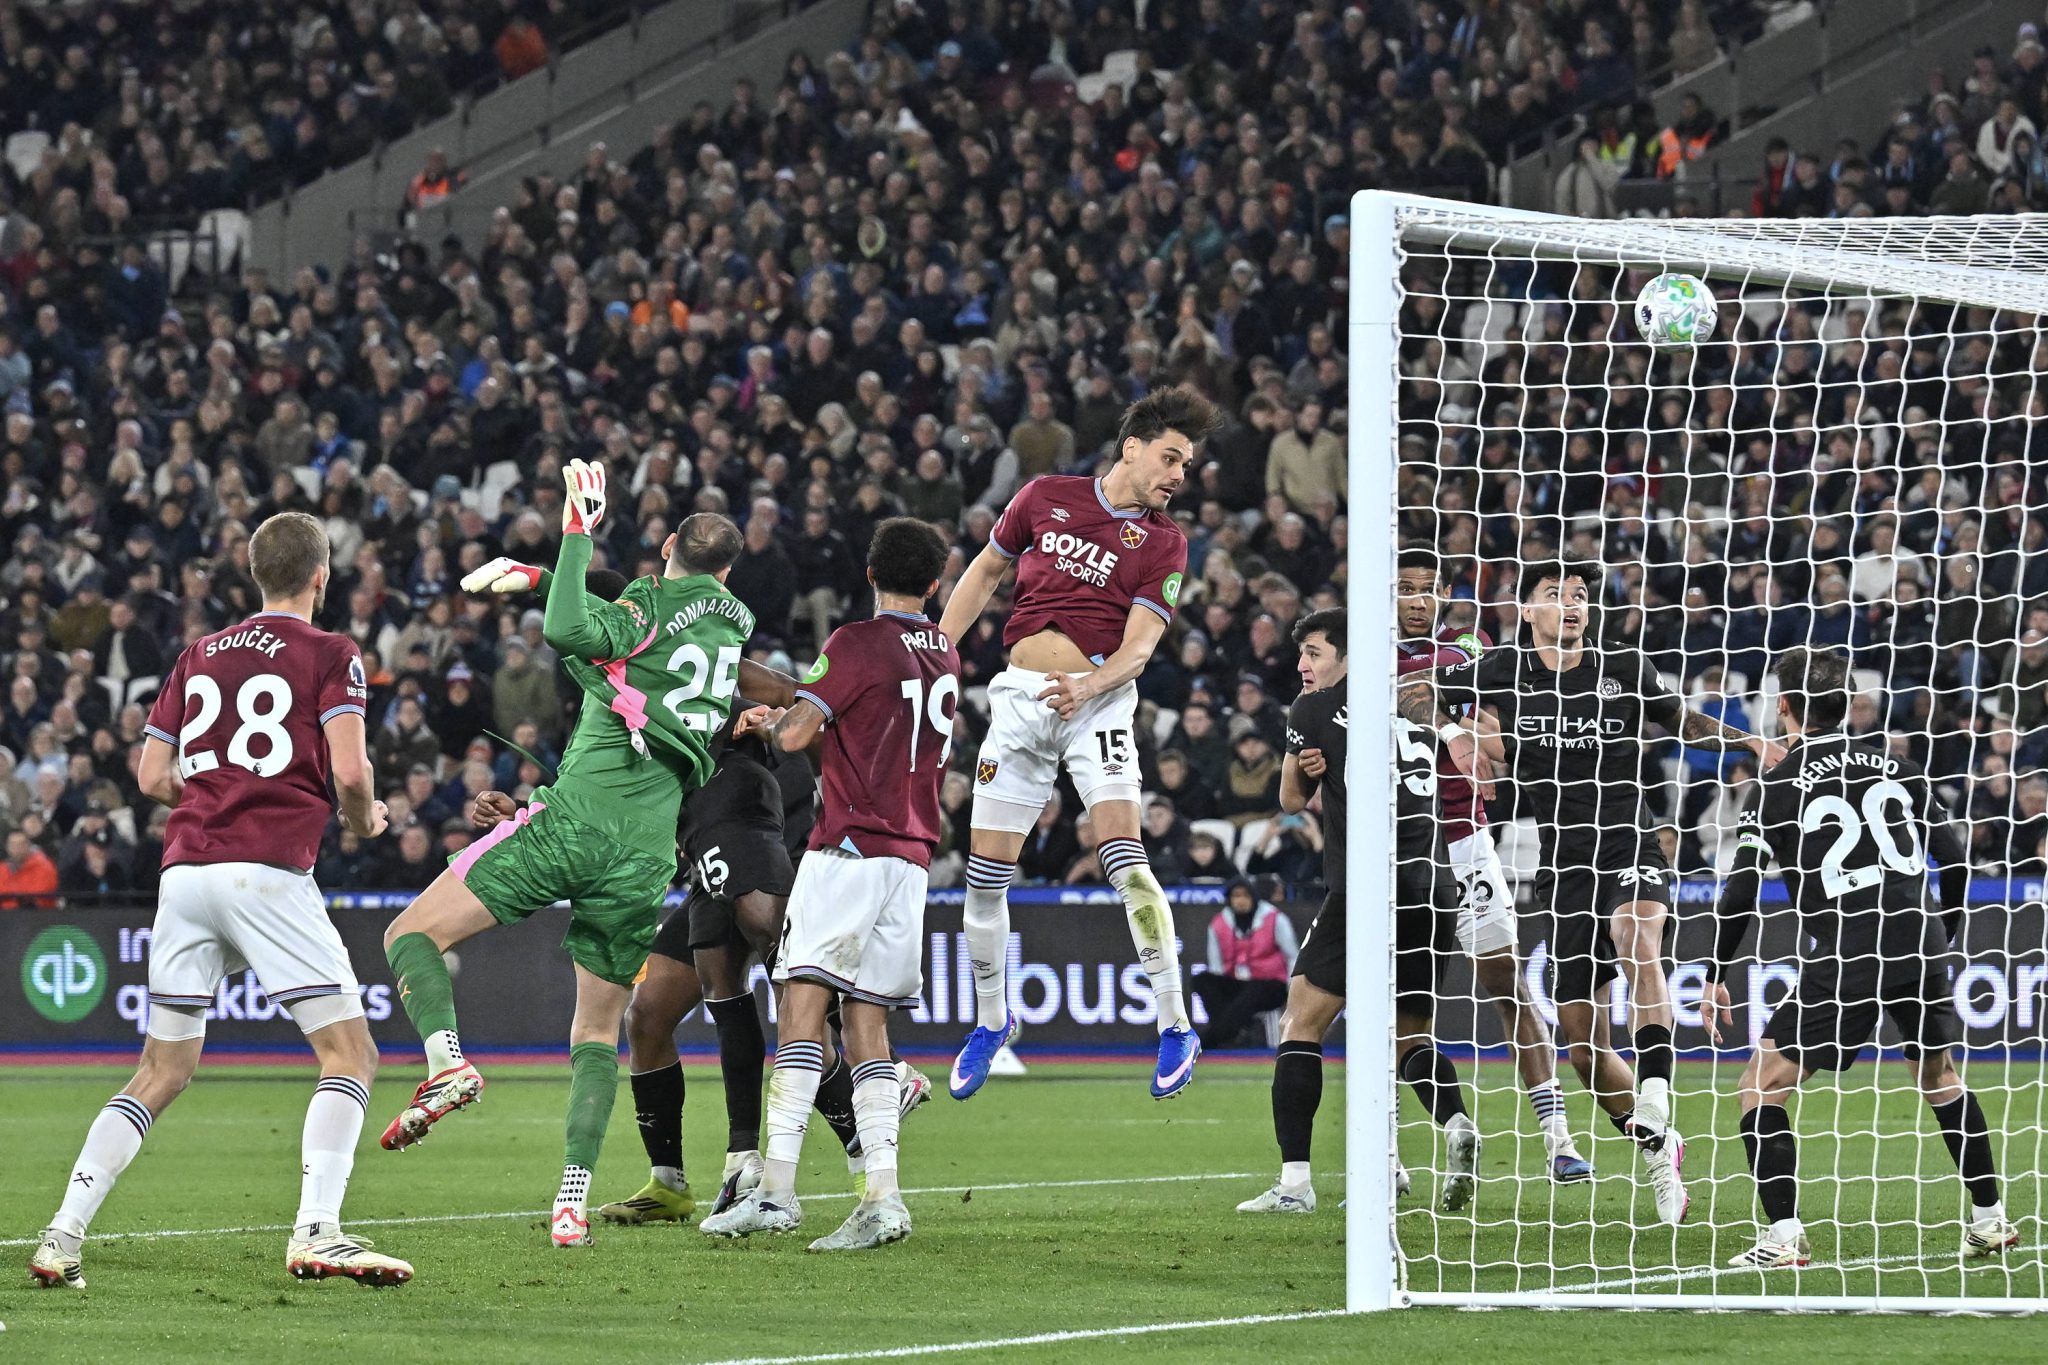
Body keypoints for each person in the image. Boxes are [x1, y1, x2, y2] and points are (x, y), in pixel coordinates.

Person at [375, 462, 766, 1249]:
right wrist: (538, 575)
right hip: (648, 851)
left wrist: (575, 532)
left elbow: (571, 629)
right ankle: (570, 1202)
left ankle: (448, 1063)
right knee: (595, 1029)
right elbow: (619, 630)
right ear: (728, 571)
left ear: (666, 547)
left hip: (576, 822)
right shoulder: (731, 625)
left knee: (409, 934)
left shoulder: (645, 608)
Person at [30, 512, 409, 1289]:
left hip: (186, 873)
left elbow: (150, 776)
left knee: (160, 1068)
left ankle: (62, 1233)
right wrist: (365, 818)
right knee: (351, 1054)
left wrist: (215, 793)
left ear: (254, 573)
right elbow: (350, 771)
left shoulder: (199, 652)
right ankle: (318, 1229)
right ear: (320, 576)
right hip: (265, 869)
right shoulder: (332, 651)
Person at [1401, 561, 1781, 1227]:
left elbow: (1683, 721)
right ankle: (1661, 1150)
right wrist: (1457, 734)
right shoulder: (1505, 669)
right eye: (1556, 595)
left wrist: (1745, 737)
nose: (1572, 605)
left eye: (1579, 596)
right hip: (1565, 867)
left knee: (1638, 939)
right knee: (1584, 1049)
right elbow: (1413, 690)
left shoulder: (1622, 666)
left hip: (1629, 841)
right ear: (1527, 611)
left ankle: (1657, 1091)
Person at [941, 387, 1217, 1102]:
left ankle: (1175, 1025)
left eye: (1186, 465)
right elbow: (985, 571)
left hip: (1099, 703)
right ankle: (992, 1022)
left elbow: (1141, 647)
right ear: (1132, 448)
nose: (1178, 475)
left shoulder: (1165, 542)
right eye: (1170, 458)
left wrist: (1089, 687)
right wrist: (937, 651)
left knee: (1125, 861)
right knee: (983, 879)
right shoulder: (1044, 496)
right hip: (1020, 700)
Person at [1706, 647, 2019, 1268]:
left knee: (1761, 1086)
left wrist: (1715, 971)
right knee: (1939, 1077)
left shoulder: (1775, 786)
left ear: (1784, 706)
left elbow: (1741, 889)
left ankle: (1784, 1236)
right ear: (1849, 704)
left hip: (1851, 947)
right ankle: (1990, 1219)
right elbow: (1955, 858)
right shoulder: (1899, 766)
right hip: (1920, 940)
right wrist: (1944, 931)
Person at [701, 517, 959, 1250]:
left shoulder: (854, 642)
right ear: (933, 583)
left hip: (848, 850)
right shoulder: (944, 650)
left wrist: (769, 720)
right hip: (911, 857)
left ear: (870, 573)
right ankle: (883, 1197)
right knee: (868, 1025)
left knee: (801, 1011)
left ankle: (776, 1192)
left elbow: (795, 735)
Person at [1393, 550, 1591, 1187]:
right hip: (1389, 849)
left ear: (1447, 593)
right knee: (1390, 1008)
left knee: (1508, 985)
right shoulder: (1361, 653)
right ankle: (1387, 1160)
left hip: (1465, 841)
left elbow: (1451, 701)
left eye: (1428, 589)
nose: (1417, 600)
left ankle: (1559, 1141)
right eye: (1405, 589)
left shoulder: (1469, 646)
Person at [1190, 878, 1296, 1051]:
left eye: (1245, 895)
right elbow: (1216, 967)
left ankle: (1209, 1040)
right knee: (1202, 980)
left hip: (1270, 984)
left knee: (1254, 992)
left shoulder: (1275, 918)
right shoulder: (1219, 923)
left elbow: (1292, 956)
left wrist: (1292, 988)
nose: (1240, 900)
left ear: (1253, 897)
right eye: (1236, 896)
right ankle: (1230, 1034)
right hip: (1236, 982)